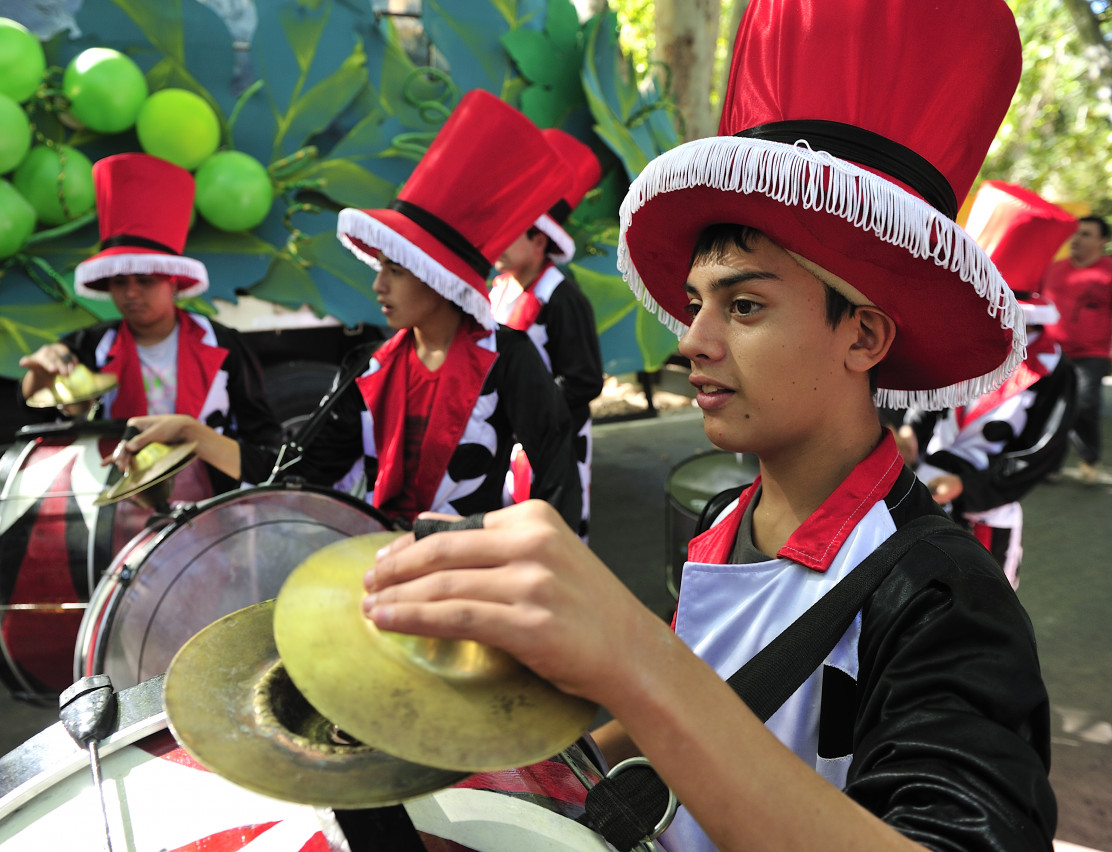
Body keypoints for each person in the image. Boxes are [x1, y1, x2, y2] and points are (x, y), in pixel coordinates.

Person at [359, 1, 1055, 850]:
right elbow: (684, 723)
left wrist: (634, 655)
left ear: (863, 335)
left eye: (746, 304)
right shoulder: (720, 529)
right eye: (696, 304)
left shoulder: (948, 596)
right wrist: (499, 780)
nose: (692, 339)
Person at [113, 91, 582, 531]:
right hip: (385, 568)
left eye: (395, 269)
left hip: (475, 581)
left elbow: (555, 484)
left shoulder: (508, 359)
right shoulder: (368, 367)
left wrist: (486, 538)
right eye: (380, 267)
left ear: (440, 279)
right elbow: (297, 474)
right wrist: (193, 434)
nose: (378, 284)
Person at [18, 153, 281, 492]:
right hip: (118, 496)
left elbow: (261, 432)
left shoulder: (222, 343)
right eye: (119, 282)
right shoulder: (88, 347)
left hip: (214, 496)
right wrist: (39, 373)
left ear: (173, 281)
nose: (131, 293)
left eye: (145, 281)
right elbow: (36, 411)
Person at [899, 181, 1078, 589]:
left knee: (977, 614)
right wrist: (910, 431)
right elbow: (931, 395)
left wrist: (967, 486)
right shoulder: (956, 337)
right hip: (922, 490)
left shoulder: (1052, 369)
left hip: (985, 514)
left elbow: (1041, 455)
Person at [490, 128, 604, 539]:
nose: (498, 241)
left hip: (558, 440)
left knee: (557, 530)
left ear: (539, 239)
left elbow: (584, 380)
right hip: (509, 436)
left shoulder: (562, 298)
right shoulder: (499, 289)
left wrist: (537, 411)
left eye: (511, 231)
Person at [1039, 214, 1112, 483]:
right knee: (1051, 407)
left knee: (1084, 404)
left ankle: (1089, 458)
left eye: (1086, 234)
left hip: (1092, 353)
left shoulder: (1108, 271)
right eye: (1076, 233)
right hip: (1051, 351)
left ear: (1102, 241)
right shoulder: (1053, 268)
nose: (1077, 239)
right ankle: (1050, 465)